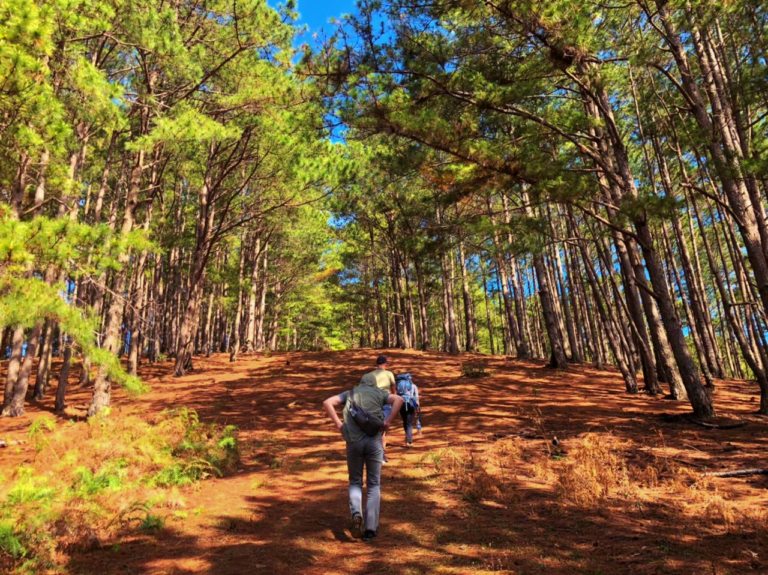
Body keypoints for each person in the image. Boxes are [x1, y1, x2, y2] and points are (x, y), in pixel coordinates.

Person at [323, 365, 403, 543]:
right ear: (374, 384)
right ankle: (370, 529)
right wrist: (388, 422)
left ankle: (357, 513)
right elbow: (399, 400)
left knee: (355, 481)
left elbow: (327, 402)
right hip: (374, 442)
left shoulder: (349, 394)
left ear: (360, 382)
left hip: (353, 443)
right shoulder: (379, 394)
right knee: (374, 484)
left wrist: (338, 424)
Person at [361, 355, 396, 461]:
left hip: (371, 402)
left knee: (372, 428)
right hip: (385, 402)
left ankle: (370, 453)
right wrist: (395, 405)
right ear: (386, 364)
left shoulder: (369, 375)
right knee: (383, 429)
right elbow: (394, 391)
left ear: (376, 364)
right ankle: (381, 455)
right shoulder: (389, 374)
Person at [397, 375, 420, 448]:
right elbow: (416, 398)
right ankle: (409, 441)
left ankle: (407, 437)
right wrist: (417, 407)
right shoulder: (413, 386)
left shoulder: (399, 386)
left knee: (405, 421)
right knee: (409, 423)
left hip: (401, 404)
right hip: (410, 404)